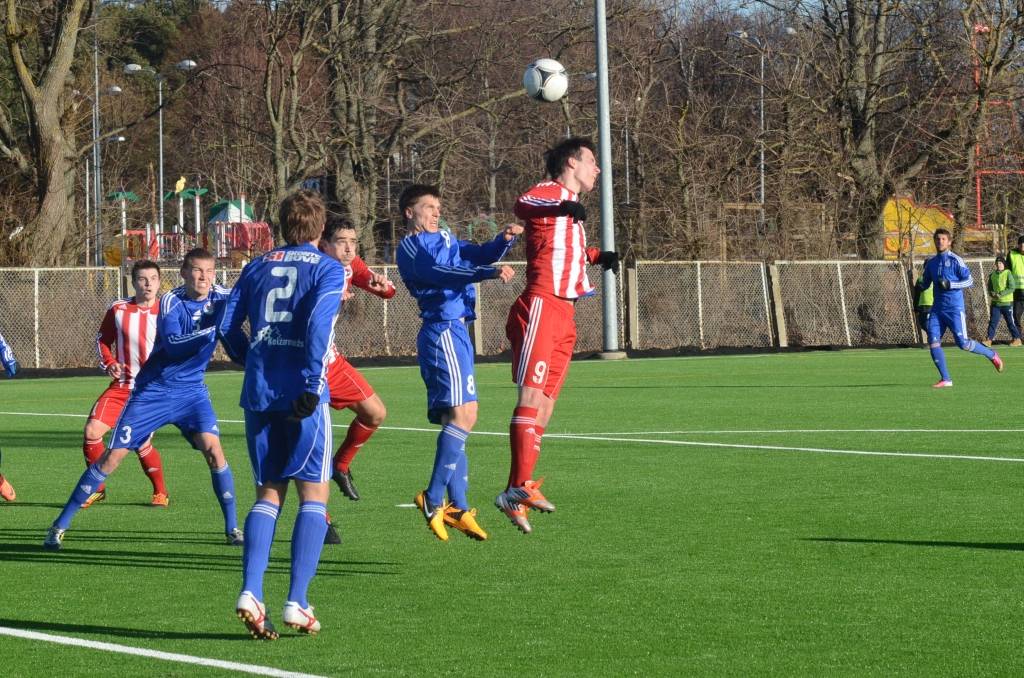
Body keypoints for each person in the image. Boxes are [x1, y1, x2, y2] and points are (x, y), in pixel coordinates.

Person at [44, 249, 242, 550]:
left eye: (209, 271)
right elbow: (174, 346)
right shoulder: (172, 301)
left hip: (192, 393)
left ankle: (232, 529)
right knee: (113, 457)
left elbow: (249, 301)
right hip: (153, 392)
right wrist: (212, 330)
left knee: (215, 451)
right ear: (184, 273)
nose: (204, 277)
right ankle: (59, 525)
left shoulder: (223, 297)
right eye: (197, 270)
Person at [221, 189, 347, 639]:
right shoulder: (329, 268)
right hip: (302, 395)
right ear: (321, 227)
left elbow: (226, 325)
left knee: (268, 493)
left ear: (280, 225)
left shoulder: (255, 266)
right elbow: (317, 325)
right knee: (313, 495)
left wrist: (250, 357)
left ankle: (252, 591)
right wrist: (312, 383)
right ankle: (297, 600)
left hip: (259, 392)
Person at [499, 137, 618, 534]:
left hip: (565, 314)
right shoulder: (550, 192)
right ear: (571, 162)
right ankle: (518, 486)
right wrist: (562, 206)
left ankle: (516, 491)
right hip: (542, 304)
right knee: (532, 398)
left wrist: (599, 256)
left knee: (546, 407)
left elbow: (566, 251)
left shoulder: (570, 207)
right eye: (591, 161)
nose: (597, 169)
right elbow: (523, 205)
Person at [395, 183, 519, 542]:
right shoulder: (410, 247)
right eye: (429, 207)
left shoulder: (446, 238)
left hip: (456, 331)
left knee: (458, 418)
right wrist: (487, 273)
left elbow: (476, 254)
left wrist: (503, 241)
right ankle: (433, 499)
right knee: (466, 415)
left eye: (438, 207)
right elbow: (440, 273)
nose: (436, 213)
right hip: (442, 331)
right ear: (410, 213)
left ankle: (459, 507)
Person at [80, 260, 169, 509]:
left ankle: (160, 492)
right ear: (133, 282)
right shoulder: (118, 309)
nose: (148, 284)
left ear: (159, 282)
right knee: (91, 432)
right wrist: (109, 362)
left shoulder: (168, 311)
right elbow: (102, 340)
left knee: (140, 442)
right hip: (121, 386)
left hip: (150, 390)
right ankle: (96, 489)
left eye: (153, 279)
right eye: (142, 279)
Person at [319, 217, 395, 501]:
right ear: (324, 245)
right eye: (342, 242)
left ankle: (340, 465)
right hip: (303, 363)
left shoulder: (351, 265)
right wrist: (328, 295)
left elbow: (388, 291)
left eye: (353, 242)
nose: (349, 249)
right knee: (311, 446)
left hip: (329, 360)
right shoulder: (314, 267)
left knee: (375, 412)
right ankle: (319, 517)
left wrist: (382, 286)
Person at [916, 228, 1003, 388]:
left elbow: (969, 281)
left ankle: (991, 354)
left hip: (954, 309)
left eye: (943, 239)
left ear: (949, 242)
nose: (940, 241)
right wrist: (921, 285)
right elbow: (926, 283)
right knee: (933, 341)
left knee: (963, 343)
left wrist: (951, 284)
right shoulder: (932, 263)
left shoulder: (956, 260)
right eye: (938, 239)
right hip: (937, 310)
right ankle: (946, 379)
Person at [984, 255, 1022, 347]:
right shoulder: (992, 275)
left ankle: (1017, 339)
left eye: (1000, 263)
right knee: (993, 322)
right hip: (995, 304)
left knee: (1010, 322)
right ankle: (989, 340)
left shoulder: (1008, 273)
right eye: (997, 263)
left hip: (1007, 303)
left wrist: (1001, 294)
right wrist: (992, 293)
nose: (999, 265)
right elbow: (990, 288)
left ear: (1004, 264)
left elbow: (1012, 287)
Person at [1006, 235, 1024, 334]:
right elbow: (1007, 271)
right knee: (1016, 315)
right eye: (1020, 244)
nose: (1022, 246)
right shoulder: (1012, 254)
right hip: (1017, 291)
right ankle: (1018, 337)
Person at [913, 262, 933, 343]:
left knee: (928, 323)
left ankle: (933, 338)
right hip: (922, 305)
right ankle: (932, 337)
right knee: (922, 323)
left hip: (932, 304)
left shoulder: (936, 278)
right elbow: (917, 294)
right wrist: (915, 307)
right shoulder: (920, 279)